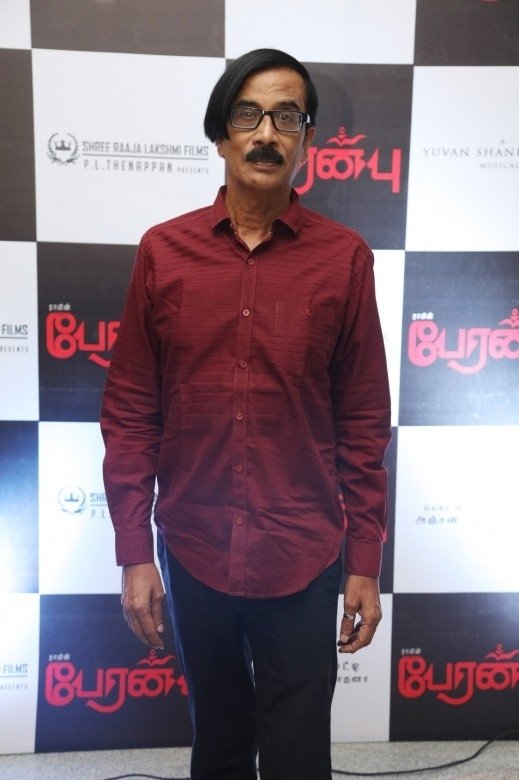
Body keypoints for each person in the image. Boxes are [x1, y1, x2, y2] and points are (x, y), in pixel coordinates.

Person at [101, 48, 391, 780]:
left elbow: (362, 422)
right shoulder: (163, 253)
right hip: (193, 544)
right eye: (248, 114)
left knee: (298, 756)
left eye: (287, 117)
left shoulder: (345, 260)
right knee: (220, 747)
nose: (266, 134)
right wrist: (134, 551)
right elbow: (131, 412)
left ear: (307, 139)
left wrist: (364, 561)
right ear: (221, 134)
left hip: (302, 550)